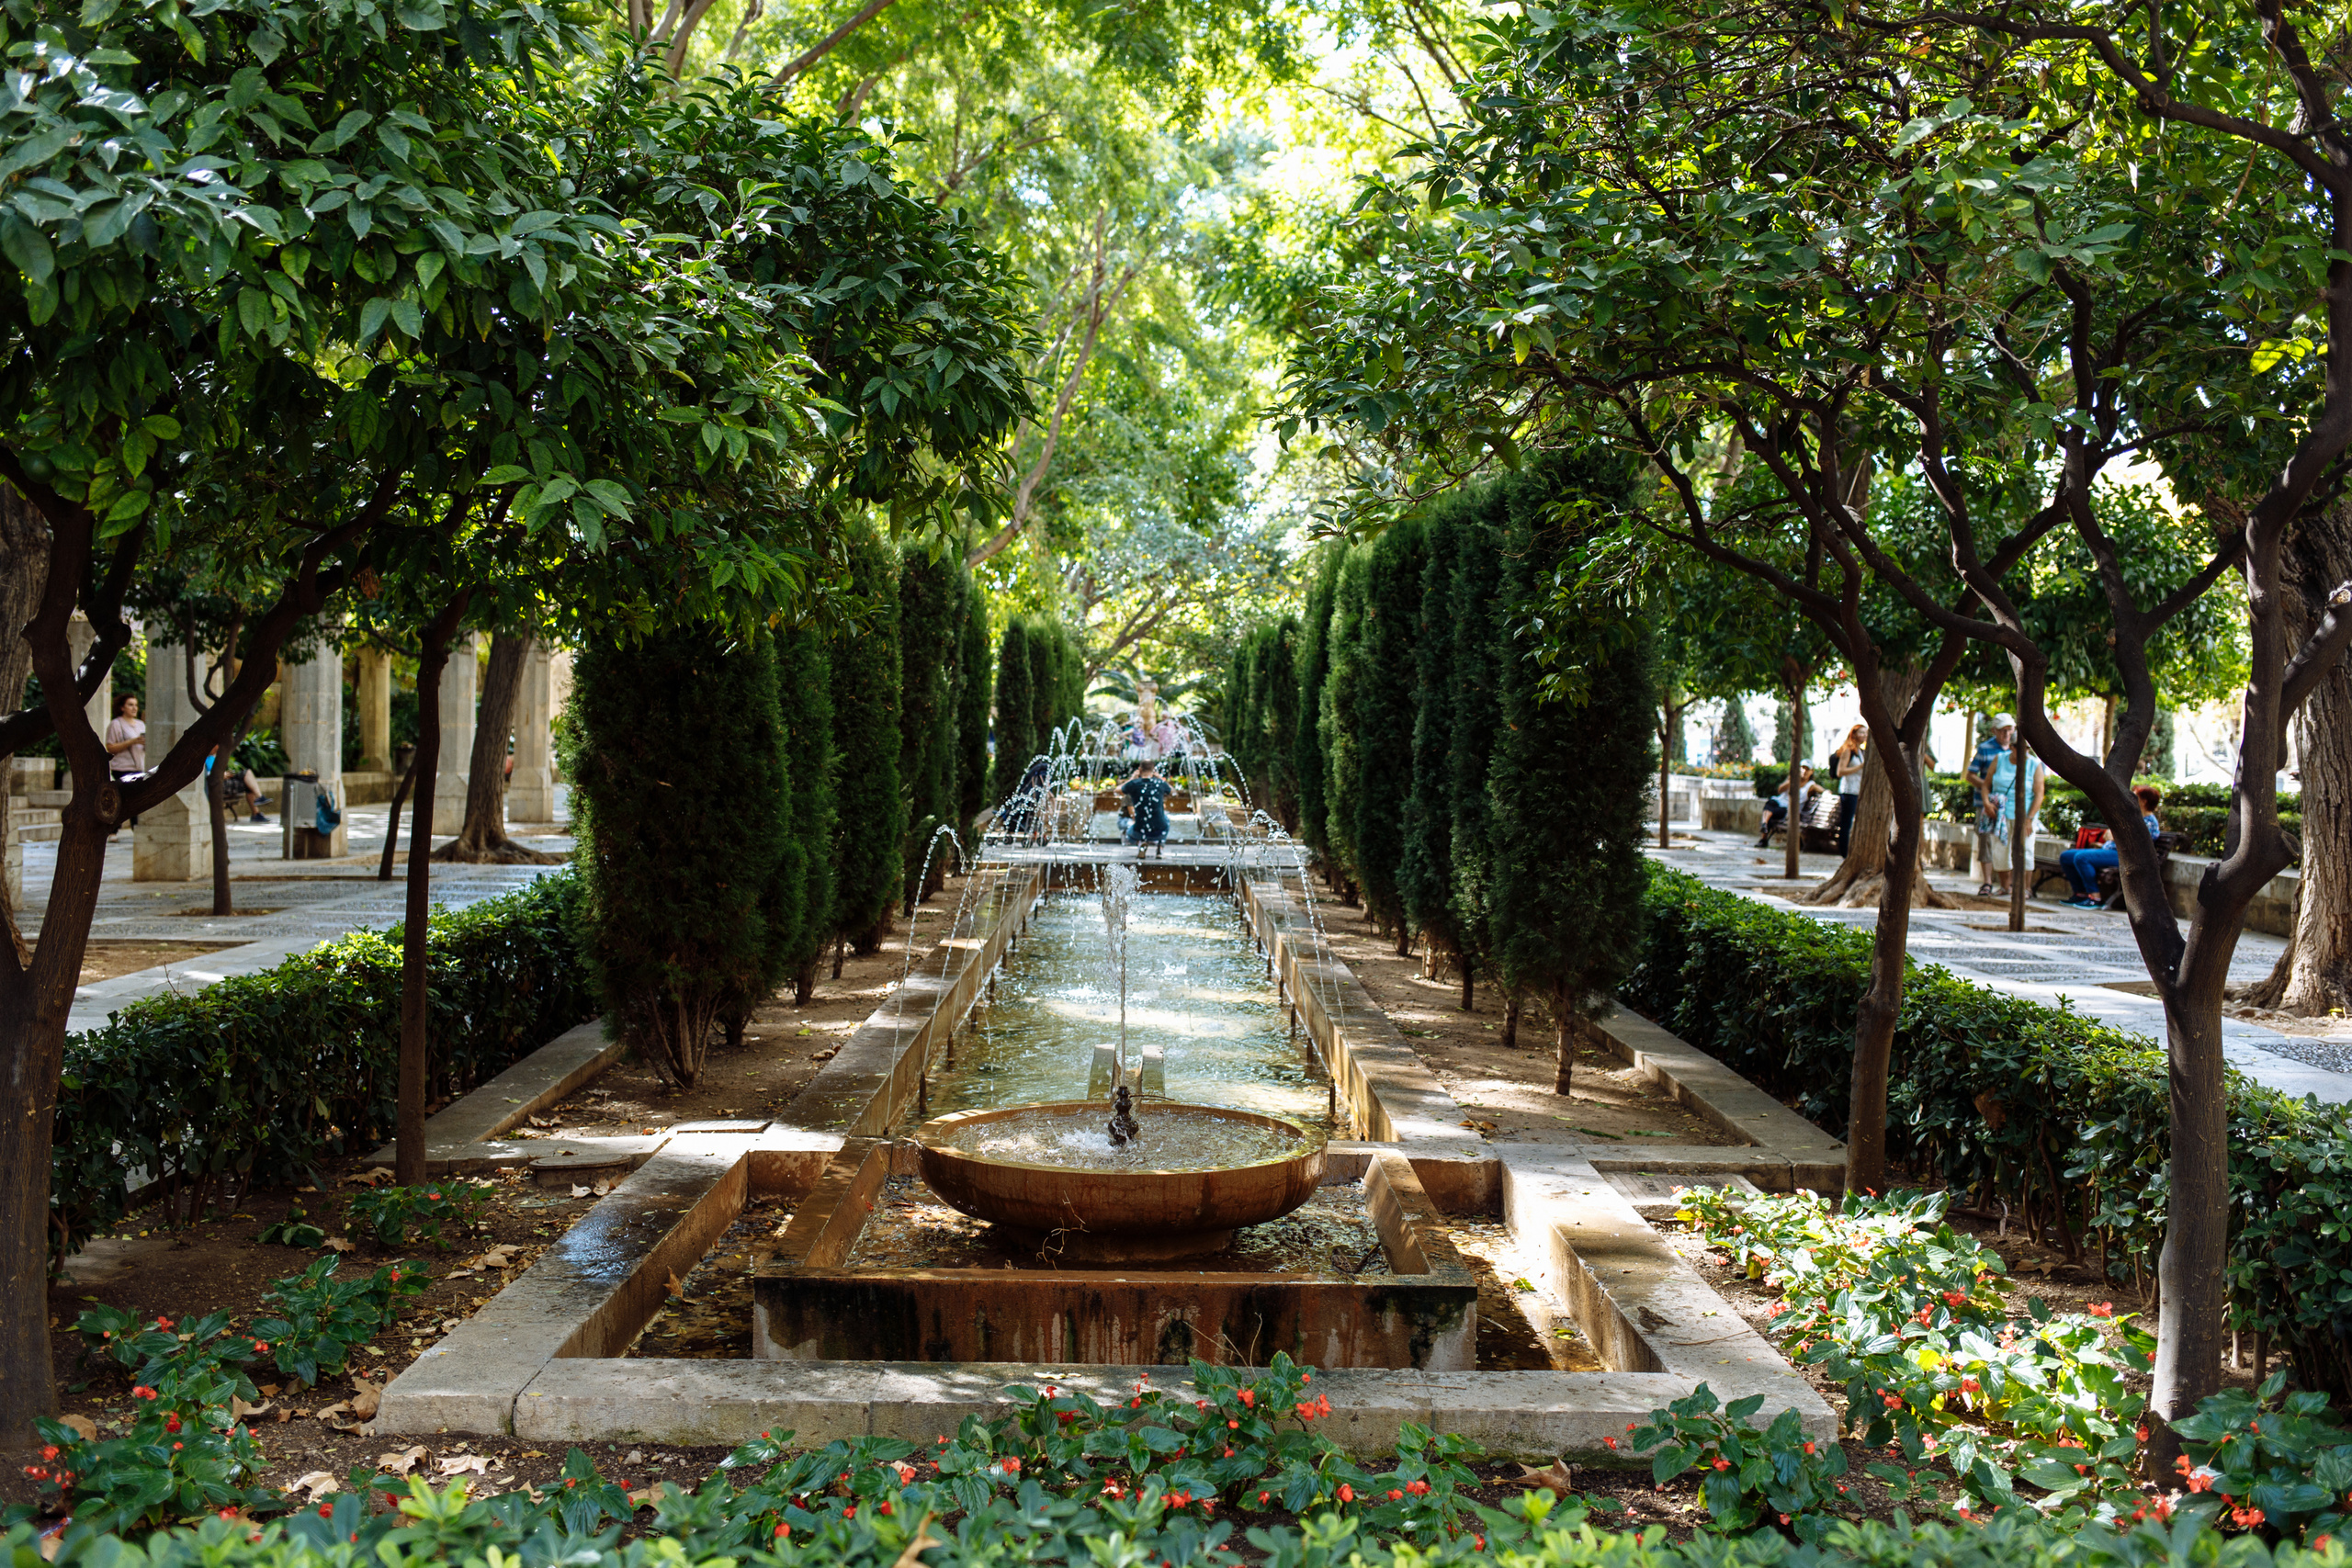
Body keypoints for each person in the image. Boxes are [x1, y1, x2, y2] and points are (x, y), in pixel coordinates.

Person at [2060, 786, 2163, 908]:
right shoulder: (2133, 817)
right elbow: (2113, 833)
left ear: (2144, 801)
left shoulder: (2150, 822)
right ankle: (2080, 894)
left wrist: (2115, 836)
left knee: (2082, 858)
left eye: (2135, 797)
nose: (2130, 799)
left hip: (2125, 856)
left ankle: (2095, 897)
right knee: (2066, 856)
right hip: (2109, 850)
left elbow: (2137, 842)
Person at [1982, 728, 2046, 897]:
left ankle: (2025, 889)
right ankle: (2005, 886)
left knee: (2026, 851)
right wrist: (1987, 804)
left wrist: (2029, 819)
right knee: (2001, 851)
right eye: (2020, 748)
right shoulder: (2000, 759)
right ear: (2012, 747)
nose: (2024, 752)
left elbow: (2039, 793)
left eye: (2026, 749)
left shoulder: (2034, 764)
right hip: (2000, 816)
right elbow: (1986, 784)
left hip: (2024, 816)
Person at [1965, 715, 2010, 896]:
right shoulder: (1985, 749)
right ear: (1994, 731)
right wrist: (1988, 788)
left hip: (2009, 806)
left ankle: (2007, 884)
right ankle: (1987, 882)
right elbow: (1970, 775)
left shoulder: (2016, 750)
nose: (2006, 733)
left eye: (2009, 729)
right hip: (1986, 805)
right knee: (1987, 842)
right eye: (2002, 730)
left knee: (2005, 843)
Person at [104, 694, 146, 834]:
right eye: (130, 705)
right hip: (122, 767)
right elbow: (110, 747)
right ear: (122, 707)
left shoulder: (141, 724)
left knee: (134, 799)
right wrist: (132, 741)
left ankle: (134, 828)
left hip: (139, 766)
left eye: (135, 705)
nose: (134, 708)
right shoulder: (116, 724)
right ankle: (114, 829)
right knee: (126, 799)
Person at [1119, 758, 1171, 857]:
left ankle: (1140, 843)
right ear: (1154, 770)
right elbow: (1174, 792)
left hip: (1138, 830)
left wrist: (1132, 778)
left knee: (1127, 829)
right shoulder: (1159, 784)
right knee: (1166, 820)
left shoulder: (1134, 784)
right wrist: (1160, 778)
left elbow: (1116, 790)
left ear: (1140, 769)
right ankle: (1160, 849)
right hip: (1159, 829)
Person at [1829, 725, 1867, 855]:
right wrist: (1860, 767)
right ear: (1854, 734)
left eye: (1865, 733)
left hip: (1858, 791)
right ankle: (1844, 853)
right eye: (1861, 733)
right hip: (1848, 791)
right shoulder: (1848, 750)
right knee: (1846, 823)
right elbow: (1840, 771)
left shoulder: (1860, 751)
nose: (1864, 735)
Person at [1757, 762, 1814, 847]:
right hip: (1778, 802)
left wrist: (1827, 792)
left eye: (1807, 769)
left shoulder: (1810, 785)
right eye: (1802, 768)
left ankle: (1764, 828)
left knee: (1771, 812)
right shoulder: (1792, 779)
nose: (1804, 771)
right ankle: (1765, 824)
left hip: (1788, 809)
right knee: (1770, 804)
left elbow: (1823, 790)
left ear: (1811, 772)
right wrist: (1793, 780)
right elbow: (1780, 790)